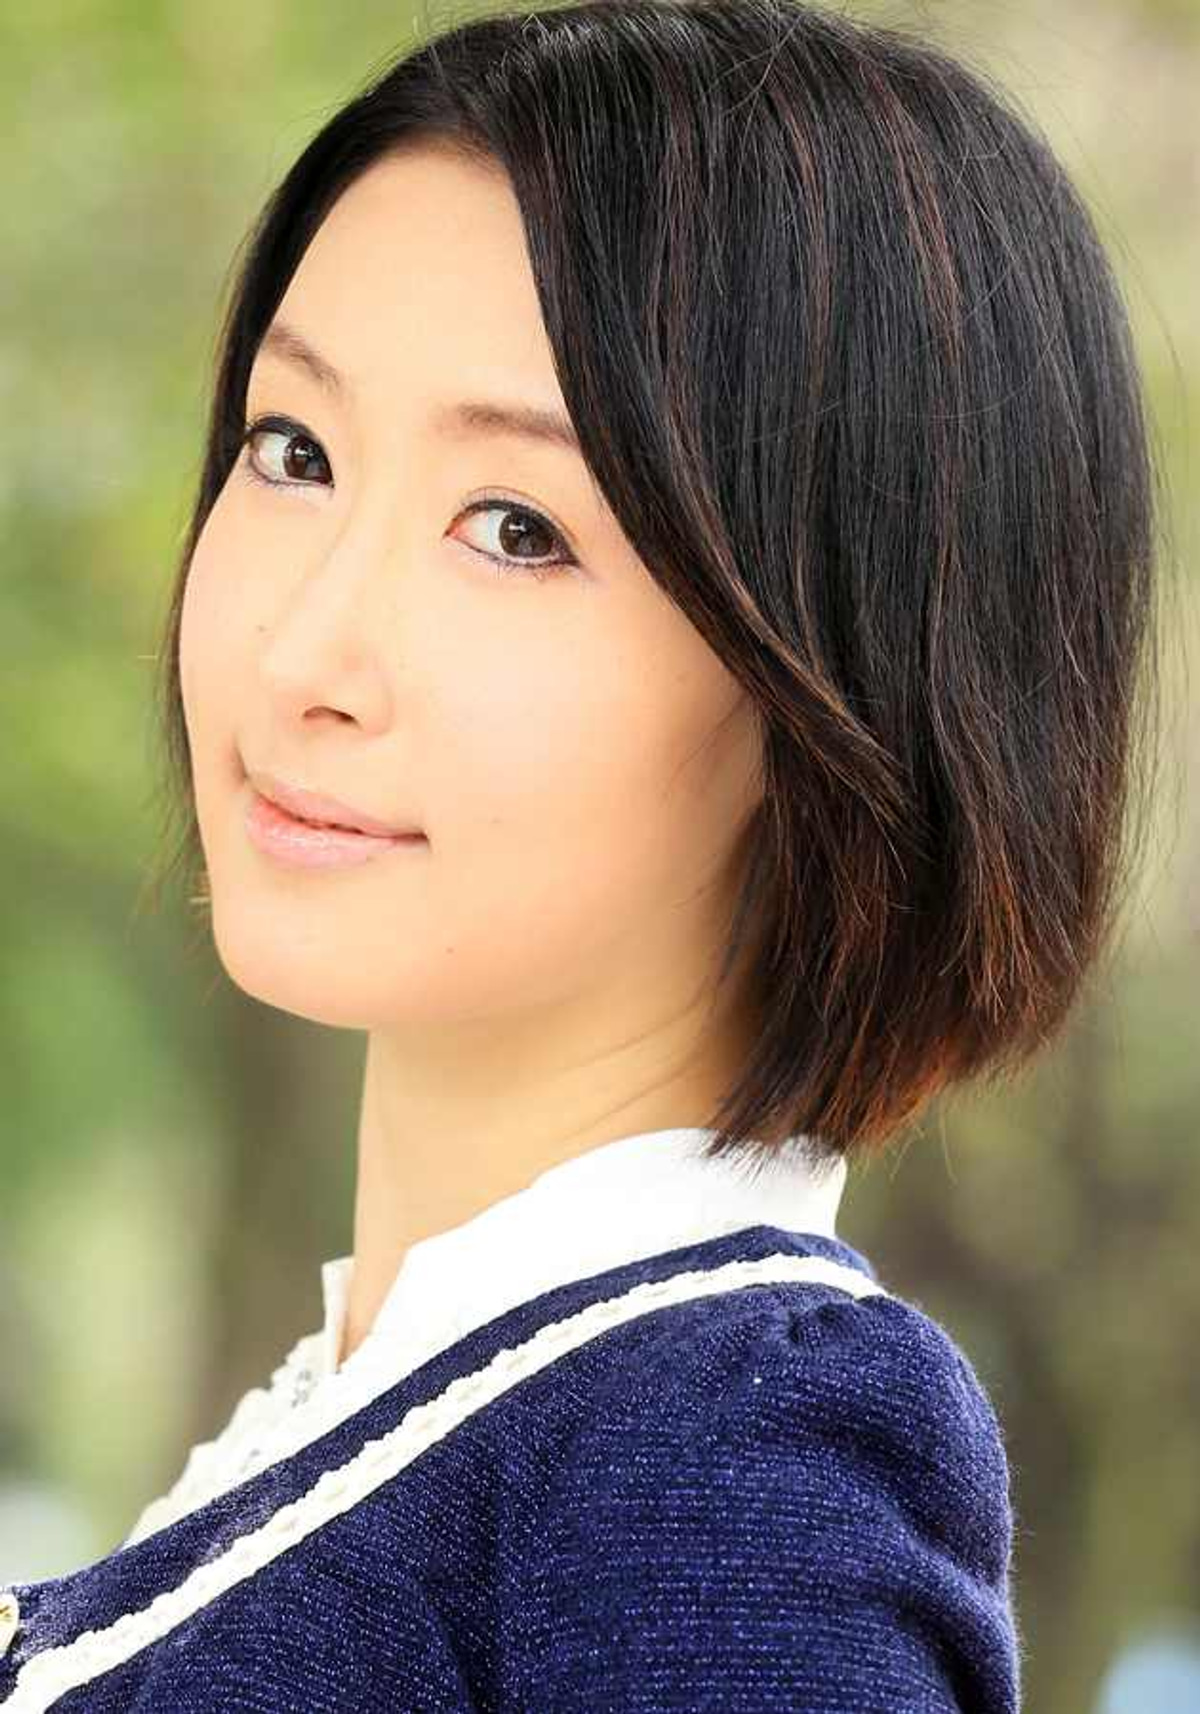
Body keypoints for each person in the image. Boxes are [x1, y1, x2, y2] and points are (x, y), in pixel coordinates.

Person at [1, 0, 1162, 1707]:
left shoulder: (727, 1471)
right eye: (292, 450)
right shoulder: (426, 1416)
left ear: (840, 676)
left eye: (516, 528)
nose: (301, 650)